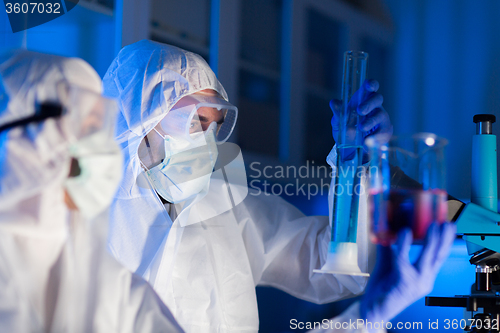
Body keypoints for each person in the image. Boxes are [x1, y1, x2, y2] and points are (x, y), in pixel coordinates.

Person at [102, 40, 419, 333]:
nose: (209, 144)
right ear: (139, 120)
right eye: (196, 123)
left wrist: (353, 158)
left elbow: (337, 268)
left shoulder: (229, 208)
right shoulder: (81, 225)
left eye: (216, 126)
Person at [0, 50, 184, 332]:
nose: (98, 148)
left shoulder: (113, 289)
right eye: (79, 127)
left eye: (97, 129)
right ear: (15, 137)